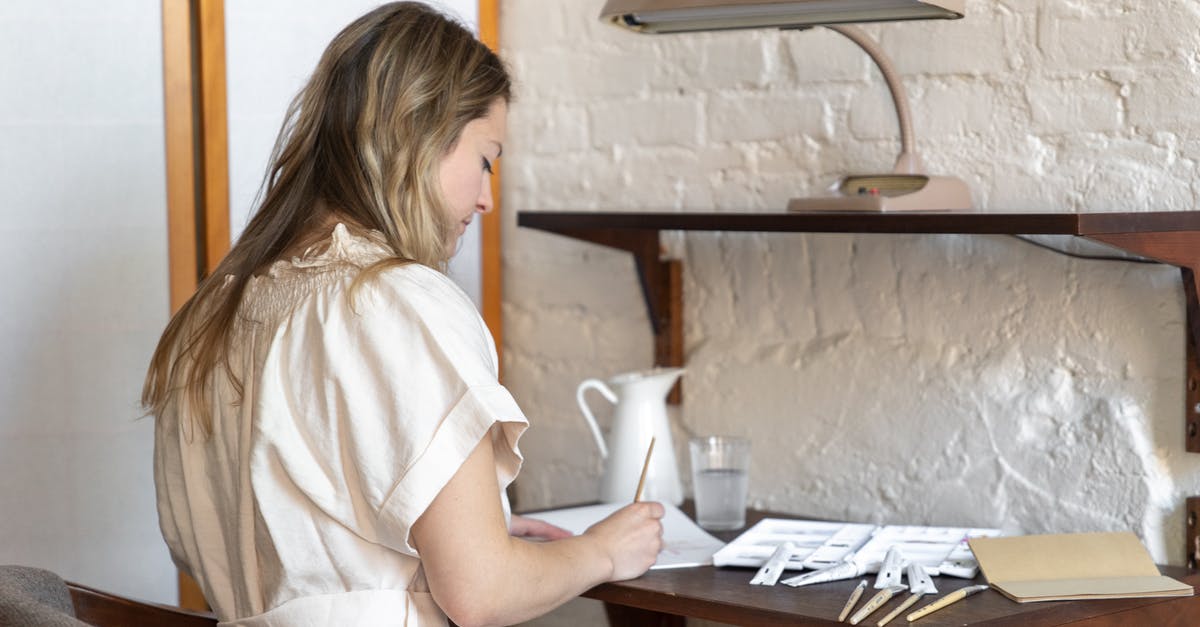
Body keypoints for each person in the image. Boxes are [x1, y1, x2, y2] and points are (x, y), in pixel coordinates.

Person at [142, 3, 664, 625]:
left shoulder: (211, 314)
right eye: (486, 158)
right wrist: (602, 552)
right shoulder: (399, 302)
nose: (486, 197)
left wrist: (468, 527)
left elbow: (279, 534)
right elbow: (482, 592)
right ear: (421, 134)